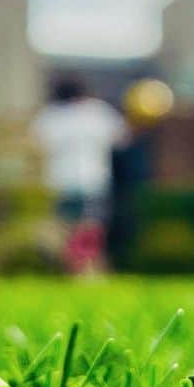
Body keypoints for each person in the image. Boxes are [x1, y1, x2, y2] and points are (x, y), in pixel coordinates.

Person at [32, 75, 128, 272]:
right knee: (91, 228)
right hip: (93, 181)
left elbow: (37, 145)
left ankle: (74, 268)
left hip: (61, 181)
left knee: (67, 228)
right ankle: (89, 268)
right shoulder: (97, 113)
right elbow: (122, 139)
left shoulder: (49, 117)